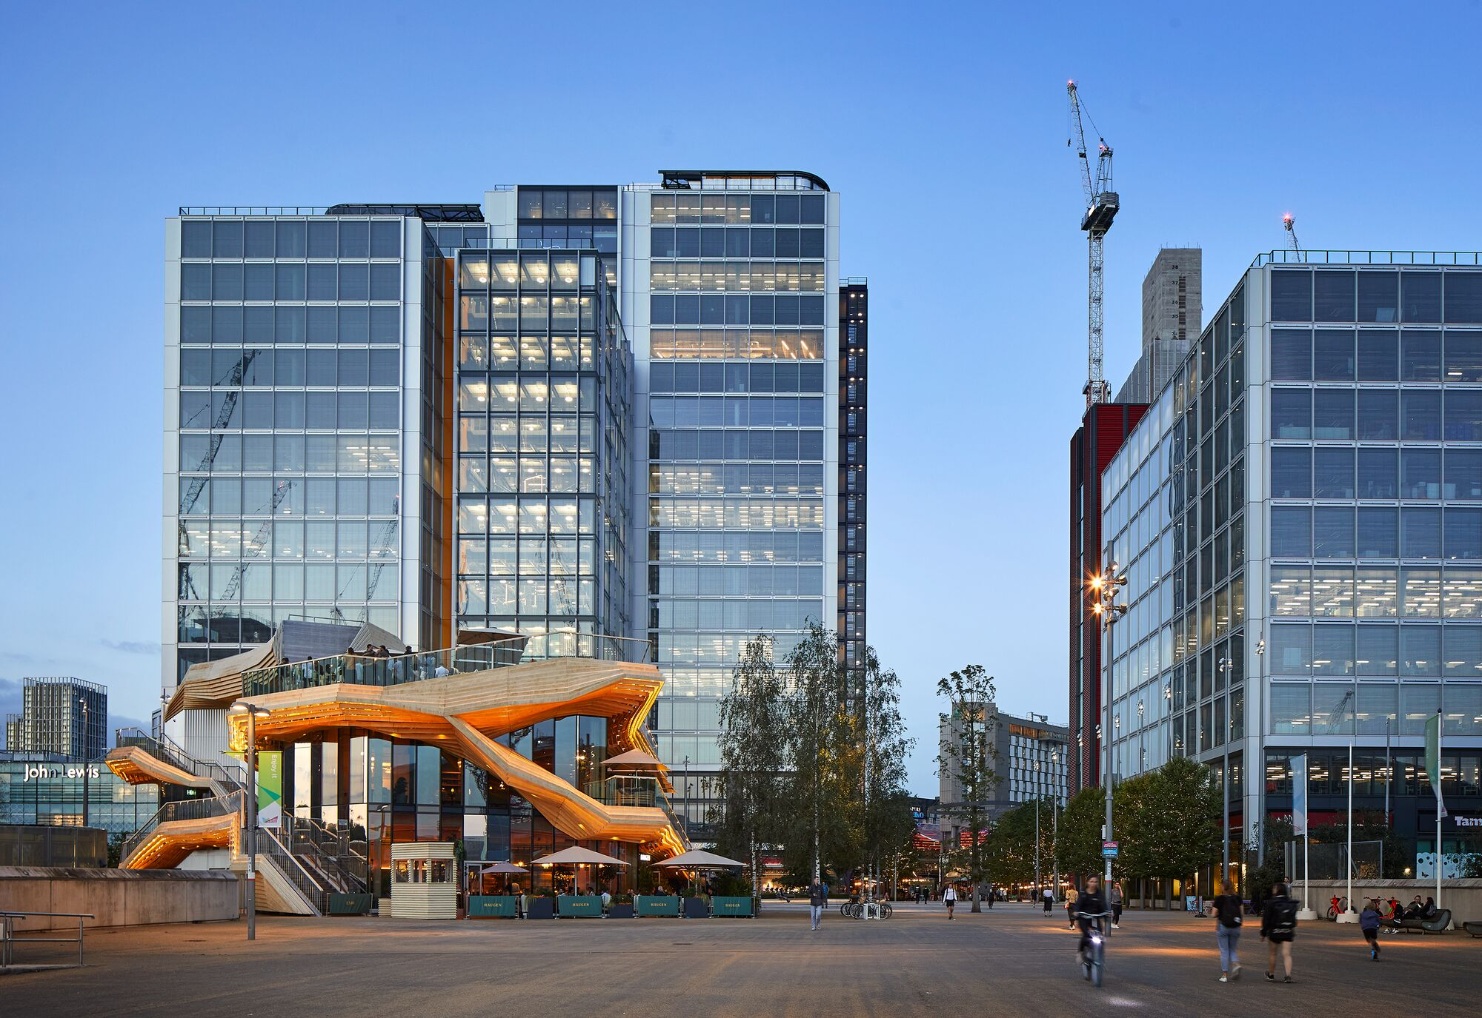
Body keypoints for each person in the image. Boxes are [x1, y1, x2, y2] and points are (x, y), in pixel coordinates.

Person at [1259, 881, 1297, 983]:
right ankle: (1288, 975)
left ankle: (1271, 974)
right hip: (1288, 930)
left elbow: (1266, 919)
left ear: (1276, 890)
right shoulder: (1289, 902)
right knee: (1287, 954)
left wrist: (1263, 932)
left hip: (1274, 930)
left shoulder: (1271, 902)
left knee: (1273, 953)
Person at [1211, 877, 1243, 983]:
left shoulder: (1220, 899)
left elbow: (1213, 914)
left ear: (1223, 887)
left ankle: (1224, 975)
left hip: (1223, 926)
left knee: (1224, 950)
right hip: (1236, 927)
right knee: (1233, 949)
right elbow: (1241, 913)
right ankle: (1236, 964)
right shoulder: (1237, 898)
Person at [1075, 875, 1108, 972]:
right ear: (1088, 882)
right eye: (1091, 881)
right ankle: (1080, 953)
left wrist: (1107, 912)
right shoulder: (1083, 893)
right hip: (1084, 918)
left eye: (1095, 882)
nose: (1093, 883)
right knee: (1086, 936)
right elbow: (1078, 905)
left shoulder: (1099, 894)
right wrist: (1076, 912)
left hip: (1096, 917)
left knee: (1100, 937)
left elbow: (1104, 905)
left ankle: (1099, 957)